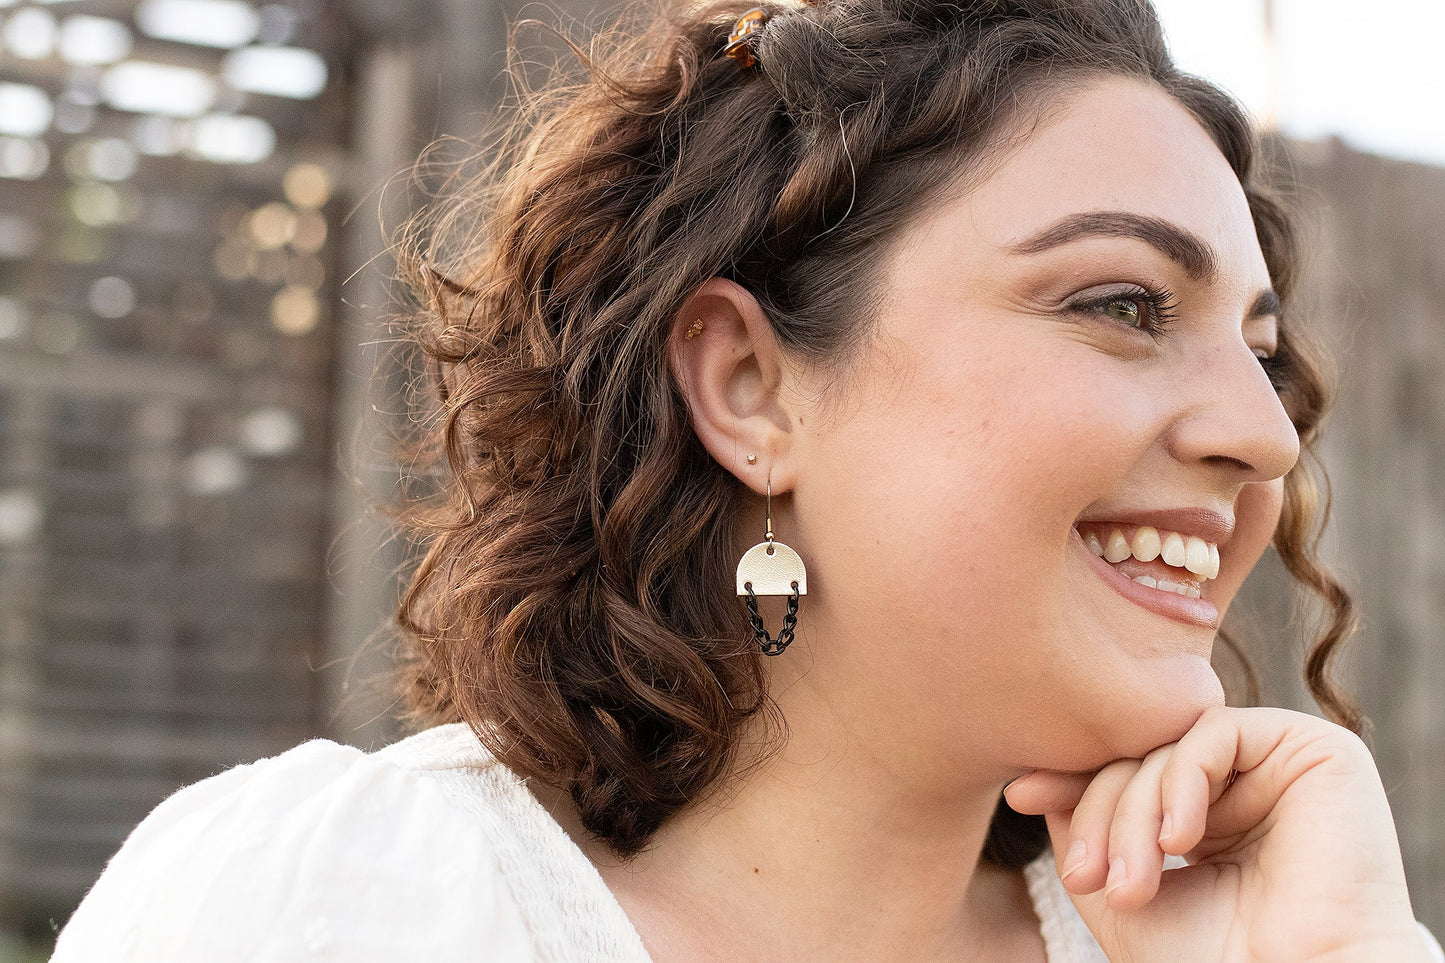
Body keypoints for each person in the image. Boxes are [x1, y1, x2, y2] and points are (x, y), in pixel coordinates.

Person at [52, 0, 1444, 960]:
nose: (1263, 435)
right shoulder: (336, 911)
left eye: (1261, 352)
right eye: (1124, 306)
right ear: (746, 386)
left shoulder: (1247, 939)